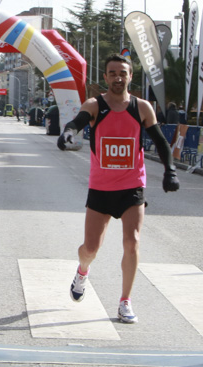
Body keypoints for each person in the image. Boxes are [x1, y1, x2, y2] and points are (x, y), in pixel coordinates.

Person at [57, 55, 180, 324]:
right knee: (90, 247)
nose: (117, 77)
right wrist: (68, 133)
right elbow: (77, 122)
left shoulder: (141, 107)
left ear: (130, 76)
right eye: (112, 73)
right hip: (101, 188)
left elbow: (160, 142)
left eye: (122, 73)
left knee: (132, 241)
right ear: (106, 77)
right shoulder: (95, 104)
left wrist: (170, 171)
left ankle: (125, 300)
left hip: (132, 186)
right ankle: (82, 271)